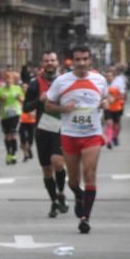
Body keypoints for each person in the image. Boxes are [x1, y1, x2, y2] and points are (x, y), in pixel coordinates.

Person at [45, 45, 110, 234]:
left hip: (92, 134)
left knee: (90, 174)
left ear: (90, 61)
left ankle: (85, 218)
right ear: (71, 61)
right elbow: (48, 105)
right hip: (70, 135)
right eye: (77, 59)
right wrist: (63, 109)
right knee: (73, 180)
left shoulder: (99, 80)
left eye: (84, 59)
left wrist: (104, 103)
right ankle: (78, 195)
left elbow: (104, 99)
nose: (81, 63)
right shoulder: (61, 81)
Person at [24, 51, 69, 218]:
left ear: (58, 62)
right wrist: (39, 100)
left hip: (61, 128)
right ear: (42, 64)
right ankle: (55, 201)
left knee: (57, 162)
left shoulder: (65, 81)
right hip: (43, 129)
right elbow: (26, 108)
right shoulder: (35, 84)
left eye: (52, 60)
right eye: (46, 61)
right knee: (47, 170)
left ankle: (62, 191)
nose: (49, 63)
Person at [0, 71, 25, 164]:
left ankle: (13, 154)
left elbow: (23, 100)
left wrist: (19, 98)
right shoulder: (0, 90)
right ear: (4, 80)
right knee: (7, 135)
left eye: (10, 79)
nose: (8, 80)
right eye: (6, 79)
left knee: (13, 134)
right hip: (5, 115)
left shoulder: (17, 88)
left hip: (15, 114)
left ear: (13, 80)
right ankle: (8, 154)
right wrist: (1, 99)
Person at [104, 67, 126, 148]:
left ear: (113, 76)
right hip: (108, 107)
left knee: (116, 125)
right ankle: (109, 141)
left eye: (110, 76)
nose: (108, 77)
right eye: (107, 76)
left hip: (117, 107)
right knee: (109, 123)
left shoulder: (118, 83)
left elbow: (123, 95)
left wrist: (115, 98)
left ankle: (115, 137)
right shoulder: (103, 83)